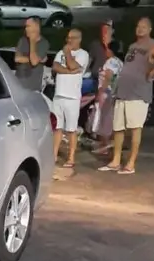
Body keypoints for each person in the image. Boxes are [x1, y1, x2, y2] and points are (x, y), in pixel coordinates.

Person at [99, 17, 154, 175]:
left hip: (138, 93)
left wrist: (153, 72)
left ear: (150, 29)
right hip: (123, 92)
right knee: (118, 128)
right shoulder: (133, 46)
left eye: (144, 27)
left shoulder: (152, 45)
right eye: (138, 26)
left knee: (134, 128)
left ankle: (130, 163)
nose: (140, 29)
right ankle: (115, 161)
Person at [52, 28, 89, 171]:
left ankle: (71, 157)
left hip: (72, 97)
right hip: (58, 95)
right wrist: (69, 71)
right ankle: (54, 155)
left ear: (79, 39)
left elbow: (73, 65)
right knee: (57, 127)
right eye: (68, 37)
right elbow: (55, 67)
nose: (69, 40)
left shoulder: (83, 54)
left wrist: (68, 53)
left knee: (71, 129)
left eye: (72, 38)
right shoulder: (60, 52)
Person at [91, 28, 124, 155]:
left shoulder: (111, 62)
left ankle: (105, 145)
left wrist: (101, 92)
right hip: (114, 94)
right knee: (109, 119)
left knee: (102, 119)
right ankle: (107, 144)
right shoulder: (120, 63)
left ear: (110, 50)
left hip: (106, 93)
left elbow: (108, 77)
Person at [14, 16, 49, 92]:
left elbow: (34, 62)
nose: (26, 29)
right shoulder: (22, 40)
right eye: (25, 26)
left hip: (33, 88)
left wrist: (32, 41)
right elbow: (17, 59)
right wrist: (38, 60)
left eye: (28, 26)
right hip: (18, 86)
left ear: (37, 27)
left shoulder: (44, 43)